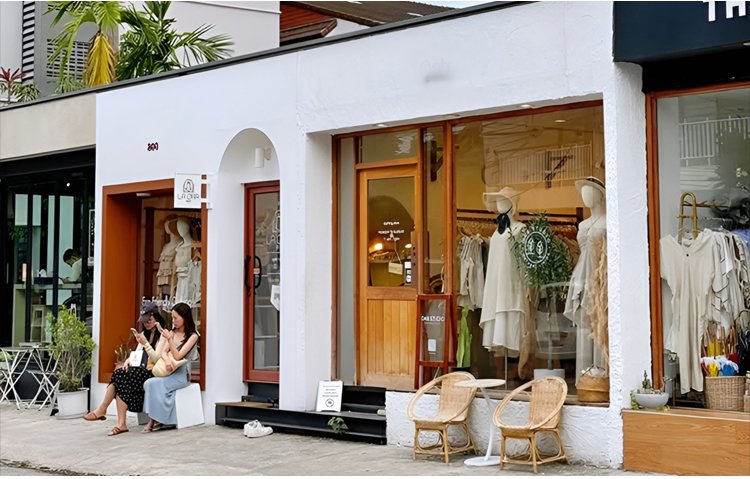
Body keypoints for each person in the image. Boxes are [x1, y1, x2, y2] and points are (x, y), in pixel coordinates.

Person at [83, 301, 163, 436]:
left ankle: (106, 412)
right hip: (140, 371)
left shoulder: (162, 334)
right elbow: (137, 355)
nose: (146, 324)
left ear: (156, 317)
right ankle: (118, 421)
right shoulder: (144, 333)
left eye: (149, 320)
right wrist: (128, 361)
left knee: (120, 376)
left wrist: (146, 344)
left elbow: (157, 359)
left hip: (153, 372)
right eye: (144, 322)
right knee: (120, 375)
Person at [141, 302, 199, 432]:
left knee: (155, 384)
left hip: (181, 374)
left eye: (175, 318)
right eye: (172, 318)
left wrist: (170, 340)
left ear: (184, 318)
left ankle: (152, 421)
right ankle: (157, 418)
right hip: (168, 371)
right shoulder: (173, 332)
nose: (173, 321)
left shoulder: (193, 336)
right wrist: (167, 361)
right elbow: (163, 352)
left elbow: (178, 356)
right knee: (149, 383)